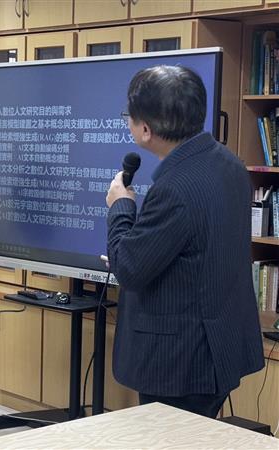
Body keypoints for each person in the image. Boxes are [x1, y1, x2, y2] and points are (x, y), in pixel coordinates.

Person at [105, 65, 264, 418]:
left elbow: (129, 269)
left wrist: (120, 206)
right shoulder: (229, 164)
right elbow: (197, 249)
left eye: (129, 117)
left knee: (169, 439)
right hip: (219, 346)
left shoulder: (174, 188)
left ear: (146, 129)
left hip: (180, 361)